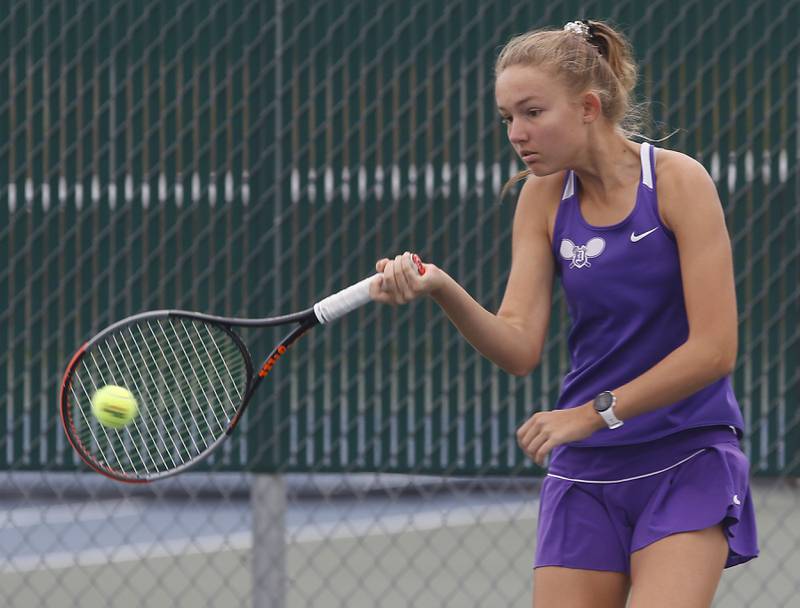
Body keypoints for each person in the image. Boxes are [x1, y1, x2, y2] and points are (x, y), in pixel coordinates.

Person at [369, 18, 759, 608]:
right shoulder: (542, 196)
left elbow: (714, 350)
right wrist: (442, 287)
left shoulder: (678, 182)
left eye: (531, 112)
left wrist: (591, 415)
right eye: (507, 119)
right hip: (586, 474)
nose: (516, 134)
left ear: (587, 106)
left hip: (687, 455)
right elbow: (520, 345)